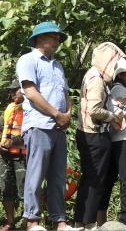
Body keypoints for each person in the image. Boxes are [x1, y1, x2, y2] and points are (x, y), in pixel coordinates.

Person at [16, 21, 76, 230]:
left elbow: (65, 93)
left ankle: (60, 222)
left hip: (58, 127)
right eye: (54, 36)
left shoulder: (57, 65)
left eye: (59, 37)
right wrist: (56, 114)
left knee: (58, 177)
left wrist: (67, 114)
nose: (58, 40)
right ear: (40, 38)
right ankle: (32, 221)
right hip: (39, 125)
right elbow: (31, 93)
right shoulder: (28, 60)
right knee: (36, 173)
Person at [74, 42, 125, 230]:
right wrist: (113, 116)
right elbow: (95, 109)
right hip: (94, 135)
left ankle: (81, 221)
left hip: (87, 133)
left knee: (89, 178)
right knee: (95, 180)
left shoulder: (92, 75)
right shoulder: (96, 78)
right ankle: (88, 223)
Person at [97, 58, 126, 226]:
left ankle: (102, 220)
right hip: (123, 140)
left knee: (110, 180)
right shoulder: (119, 90)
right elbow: (118, 111)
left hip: (120, 138)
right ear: (122, 75)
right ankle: (125, 221)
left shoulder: (123, 90)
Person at [0, 80, 26, 231]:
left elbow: (30, 135)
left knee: (25, 190)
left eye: (14, 90)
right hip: (5, 155)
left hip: (21, 157)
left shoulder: (30, 109)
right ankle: (10, 222)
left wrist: (12, 143)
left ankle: (28, 221)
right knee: (5, 188)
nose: (11, 94)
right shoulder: (9, 108)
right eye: (10, 91)